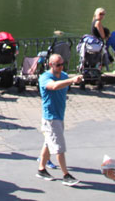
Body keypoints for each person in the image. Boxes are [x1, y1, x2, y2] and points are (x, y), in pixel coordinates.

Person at [35, 52, 84, 186]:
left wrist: (73, 80)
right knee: (59, 147)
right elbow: (54, 86)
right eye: (58, 65)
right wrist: (72, 80)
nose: (61, 67)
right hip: (50, 118)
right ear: (51, 65)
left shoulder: (64, 76)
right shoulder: (45, 77)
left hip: (59, 115)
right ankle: (66, 175)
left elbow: (63, 85)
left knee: (48, 143)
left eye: (63, 64)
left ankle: (41, 169)